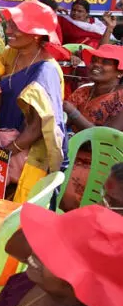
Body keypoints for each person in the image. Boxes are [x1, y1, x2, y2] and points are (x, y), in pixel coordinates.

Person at [0, 1, 66, 202]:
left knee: (14, 217)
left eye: (15, 27)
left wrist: (4, 156)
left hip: (30, 155)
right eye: (9, 24)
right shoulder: (12, 52)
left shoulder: (46, 71)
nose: (7, 31)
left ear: (36, 34)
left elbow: (36, 128)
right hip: (5, 140)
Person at [60, 44, 123, 210]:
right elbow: (60, 123)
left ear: (120, 72)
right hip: (69, 154)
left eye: (105, 62)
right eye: (94, 60)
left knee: (65, 184)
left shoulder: (121, 98)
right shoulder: (83, 92)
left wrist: (74, 114)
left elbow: (105, 141)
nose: (96, 64)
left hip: (99, 163)